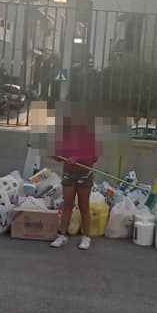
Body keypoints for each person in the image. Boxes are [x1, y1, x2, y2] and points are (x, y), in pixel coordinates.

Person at [50, 102, 101, 250]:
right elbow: (60, 155)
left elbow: (94, 156)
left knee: (84, 206)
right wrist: (56, 156)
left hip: (85, 173)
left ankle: (86, 237)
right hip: (68, 173)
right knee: (67, 205)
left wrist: (77, 158)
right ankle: (62, 235)